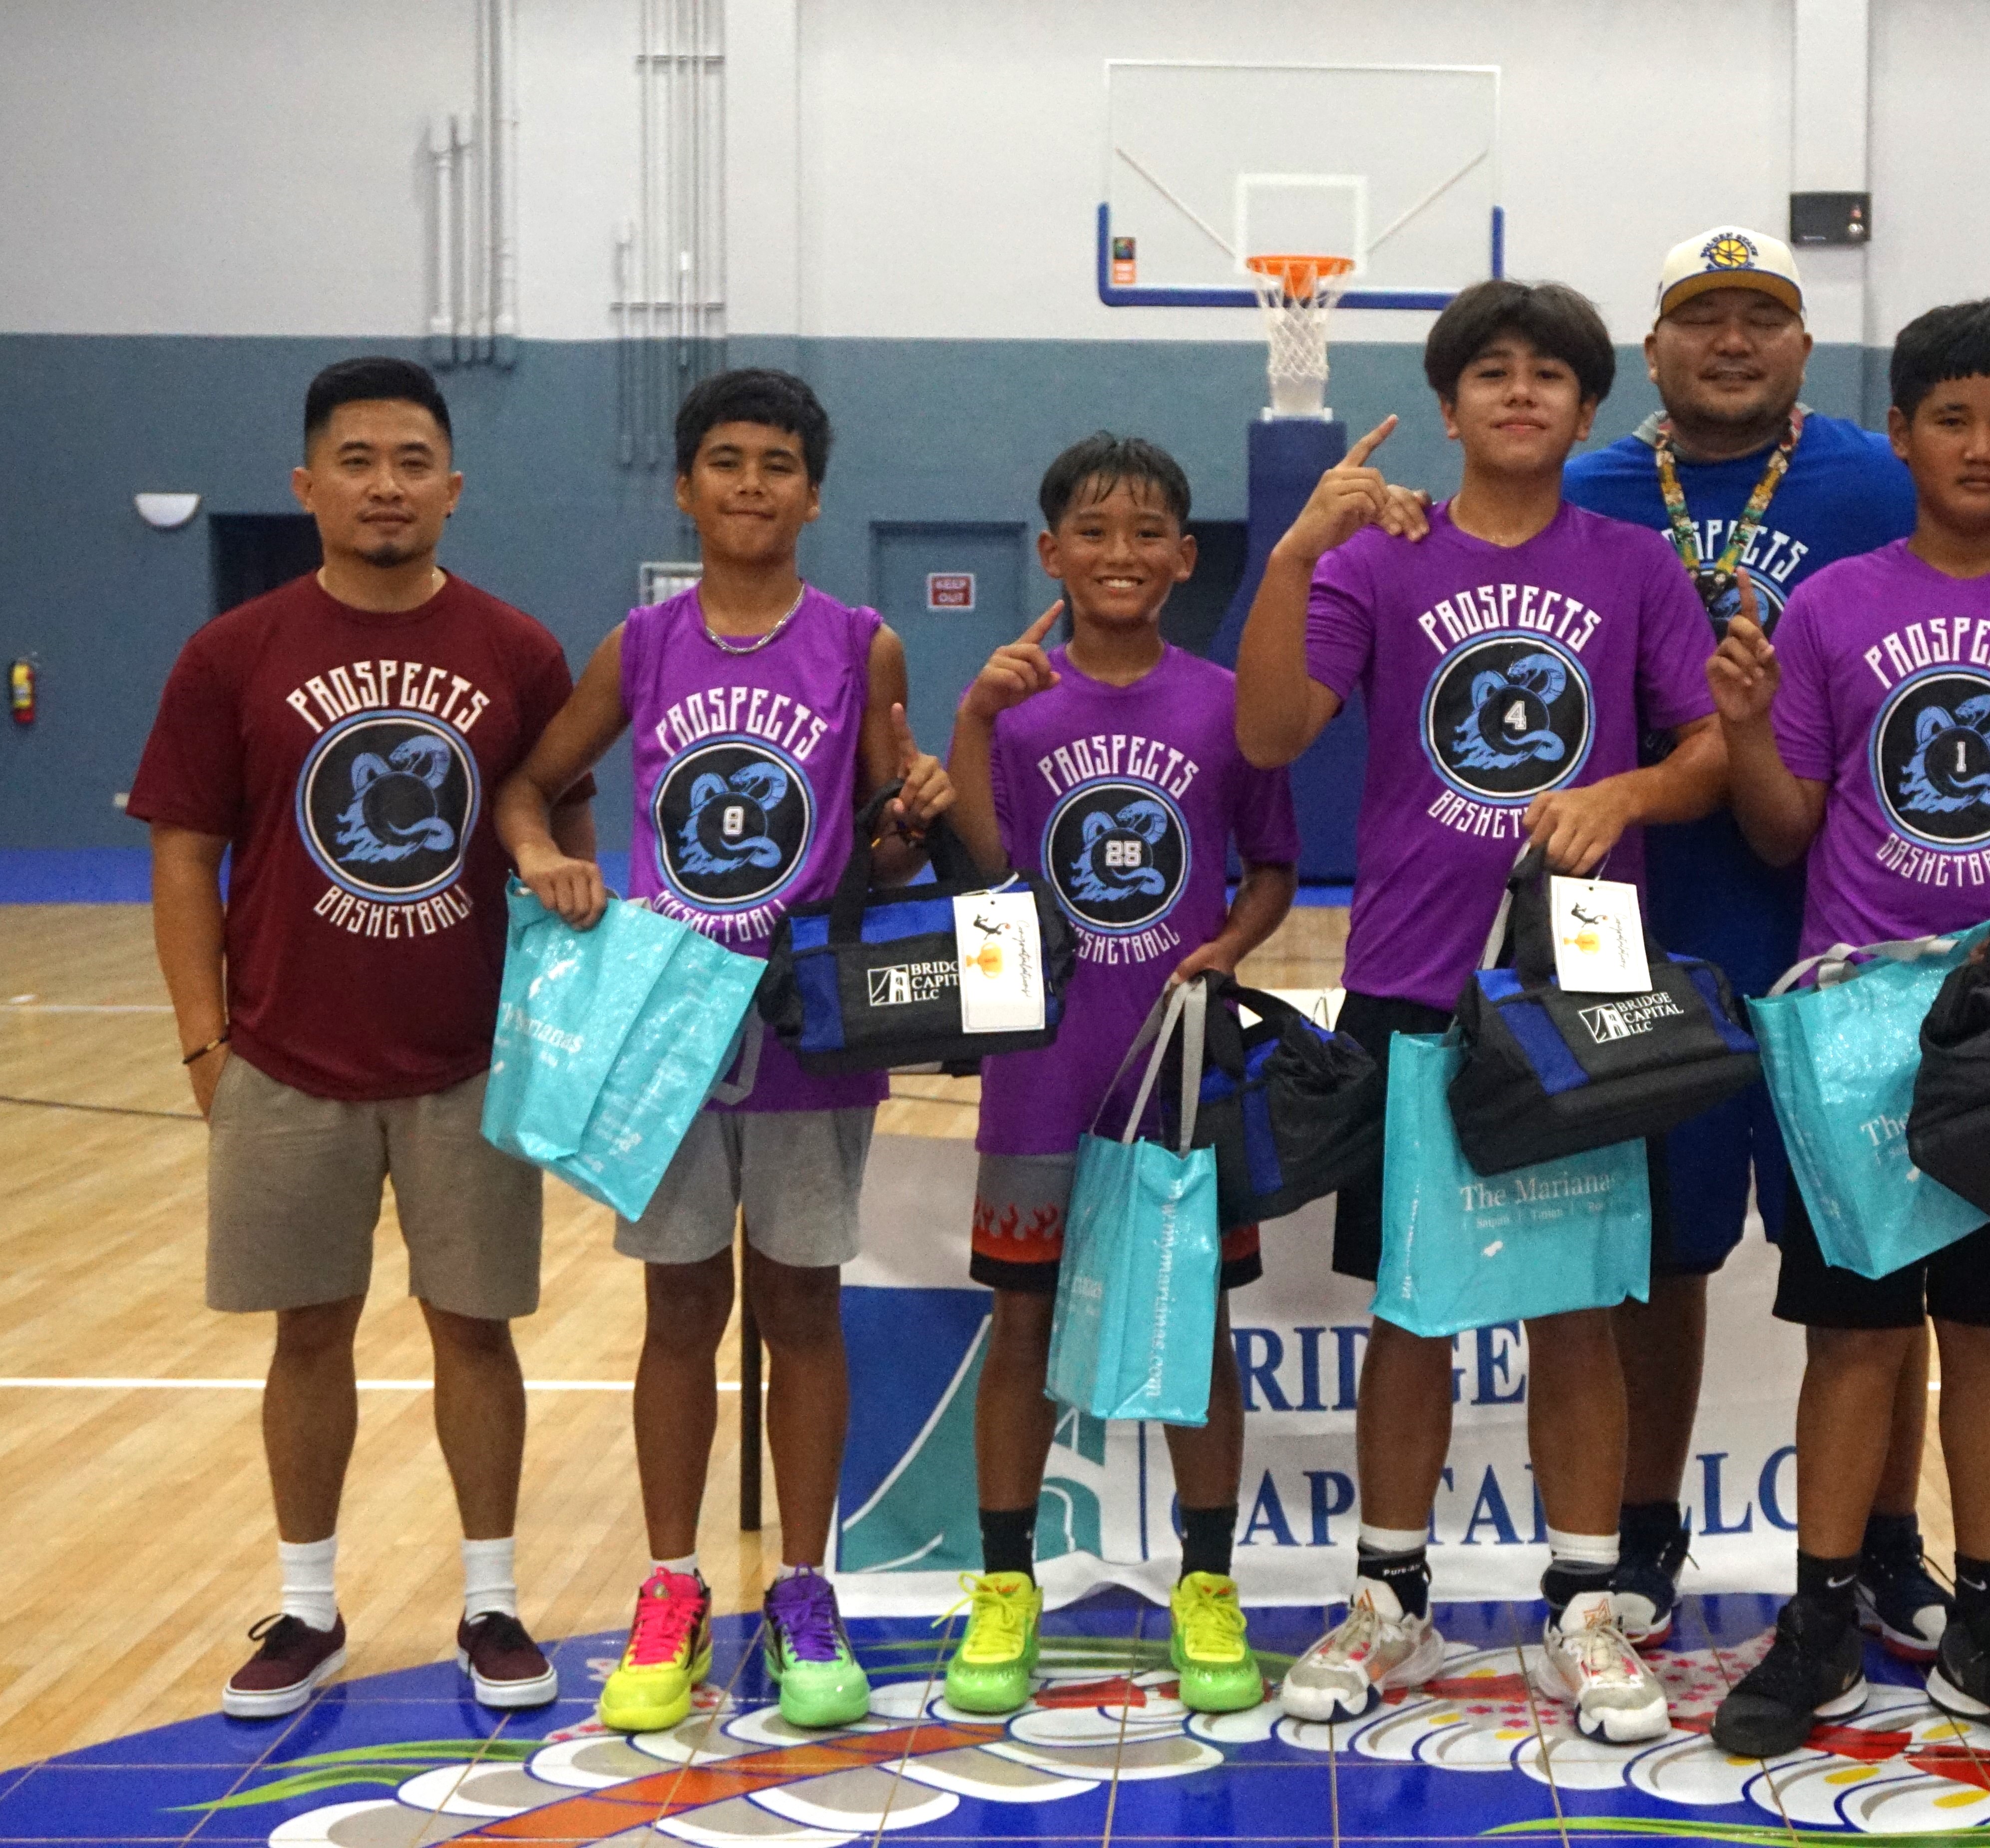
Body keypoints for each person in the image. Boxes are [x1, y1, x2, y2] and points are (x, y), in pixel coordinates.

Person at [1554, 226, 1990, 1659]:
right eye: (1702, 319)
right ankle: (1641, 1531)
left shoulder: (1880, 477)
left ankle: (1884, 1541)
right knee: (1663, 1254)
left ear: (1808, 352)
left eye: (1762, 318)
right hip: (1644, 927)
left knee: (1894, 1255)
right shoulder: (1588, 486)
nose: (1731, 342)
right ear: (1655, 345)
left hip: (1851, 951)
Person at [1235, 279, 1728, 1745]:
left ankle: (1583, 1603)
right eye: (1492, 374)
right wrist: (1292, 554)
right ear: (1449, 408)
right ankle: (1391, 1593)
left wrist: (1630, 788)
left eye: (1550, 375)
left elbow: (1707, 748)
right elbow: (1269, 731)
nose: (1521, 393)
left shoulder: (1635, 564)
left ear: (1587, 409)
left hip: (1577, 984)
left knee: (1575, 1307)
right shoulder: (1379, 558)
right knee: (1413, 1306)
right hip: (1409, 978)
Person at [1701, 298, 1990, 1762]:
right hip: (1859, 1033)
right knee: (1855, 1340)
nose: (1978, 444)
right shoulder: (1832, 604)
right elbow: (1782, 829)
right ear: (1897, 436)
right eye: (1949, 418)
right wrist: (1755, 726)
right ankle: (1821, 1611)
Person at [493, 368, 953, 1734]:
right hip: (667, 1028)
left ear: (814, 493)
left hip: (809, 1018)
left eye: (778, 464)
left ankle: (803, 1587)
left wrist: (910, 815)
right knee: (680, 1311)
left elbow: (886, 829)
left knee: (804, 1308)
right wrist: (542, 854)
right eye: (727, 461)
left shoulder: (864, 642)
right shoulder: (641, 648)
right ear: (687, 486)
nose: (752, 483)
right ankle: (672, 1584)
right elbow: (530, 779)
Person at [131, 356, 586, 1718]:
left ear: (453, 485)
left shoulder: (517, 652)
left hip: (470, 1061)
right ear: (307, 484)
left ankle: (493, 1600)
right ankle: (309, 1605)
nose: (384, 485)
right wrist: (206, 1044)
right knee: (306, 1332)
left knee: (477, 1332)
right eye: (357, 459)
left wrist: (553, 1037)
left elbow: (562, 839)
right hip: (284, 1059)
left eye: (410, 462)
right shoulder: (233, 653)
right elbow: (183, 857)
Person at [936, 433, 1298, 1717]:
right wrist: (974, 719)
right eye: (1092, 532)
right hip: (1044, 1066)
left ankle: (1207, 1583)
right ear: (1049, 554)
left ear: (1186, 557)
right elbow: (986, 872)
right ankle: (1003, 1586)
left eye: (1148, 532)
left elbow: (1268, 869)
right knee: (1022, 1329)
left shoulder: (1221, 703)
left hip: (1180, 1065)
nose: (1121, 554)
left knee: (1191, 1326)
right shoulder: (1013, 702)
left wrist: (1229, 947)